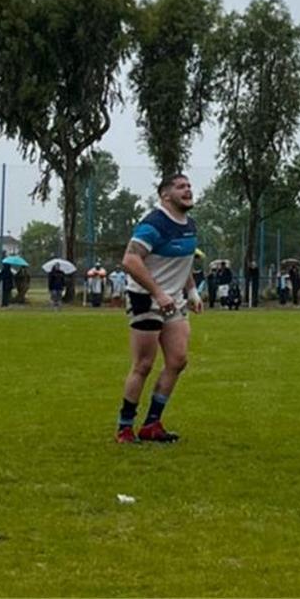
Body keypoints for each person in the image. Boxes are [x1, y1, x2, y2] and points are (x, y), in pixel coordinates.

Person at [117, 173, 203, 444]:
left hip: (172, 300)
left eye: (189, 186)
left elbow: (184, 261)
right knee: (143, 364)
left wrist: (191, 291)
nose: (188, 190)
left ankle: (152, 424)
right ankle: (125, 427)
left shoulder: (190, 225)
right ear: (166, 195)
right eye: (181, 187)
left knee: (178, 360)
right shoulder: (153, 224)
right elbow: (130, 260)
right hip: (145, 297)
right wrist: (157, 292)